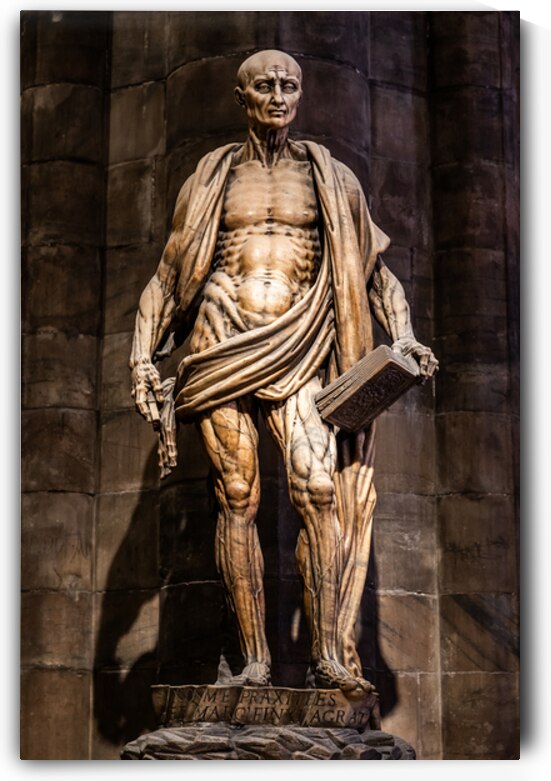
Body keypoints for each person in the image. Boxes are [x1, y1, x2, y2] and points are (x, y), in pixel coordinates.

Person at [130, 50, 438, 698]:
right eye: (265, 85)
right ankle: (251, 661)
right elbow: (165, 277)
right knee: (236, 497)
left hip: (299, 340)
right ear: (242, 96)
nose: (278, 96)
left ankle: (327, 650)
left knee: (318, 489)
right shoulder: (211, 177)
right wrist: (140, 356)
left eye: (289, 86)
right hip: (220, 340)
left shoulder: (330, 177)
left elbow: (373, 276)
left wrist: (404, 337)